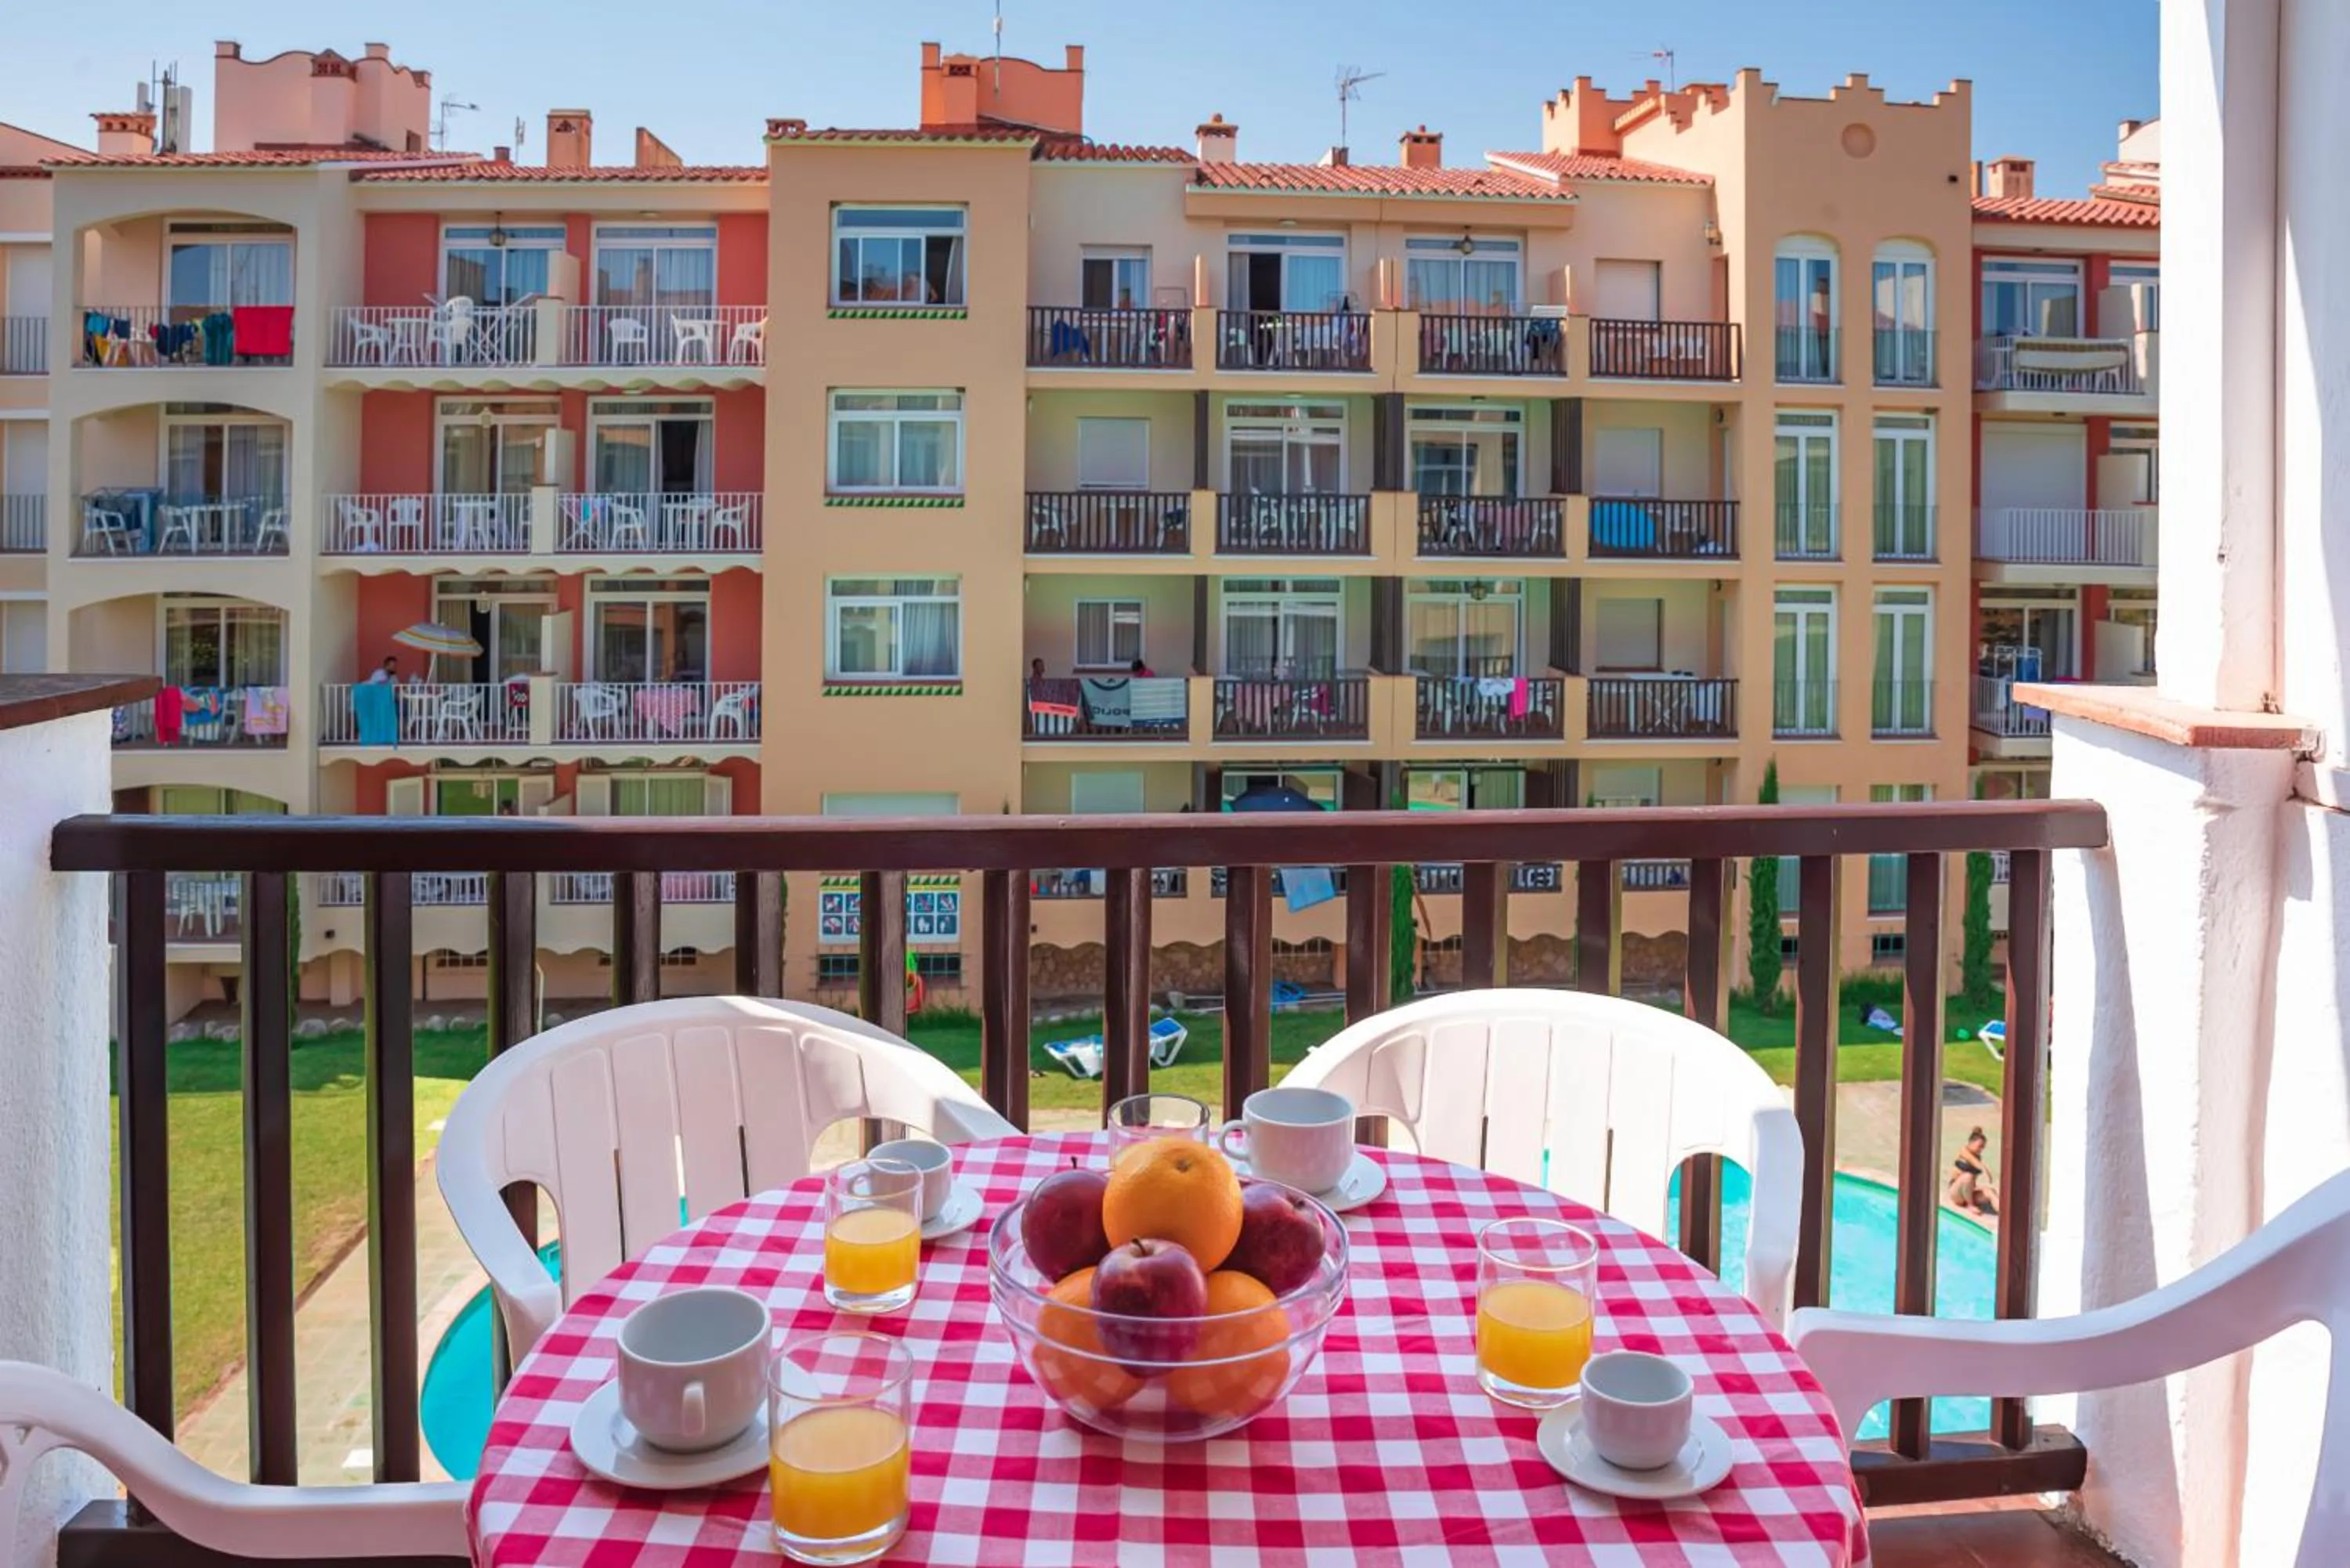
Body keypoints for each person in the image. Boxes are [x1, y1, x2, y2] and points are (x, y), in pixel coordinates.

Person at [1947, 1127, 2001, 1216]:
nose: (1981, 1149)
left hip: (1968, 1193)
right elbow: (1973, 1161)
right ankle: (1970, 1205)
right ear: (1971, 1143)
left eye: (1983, 1147)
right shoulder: (1964, 1151)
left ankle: (2004, 1213)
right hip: (1956, 1194)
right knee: (1968, 1176)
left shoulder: (1978, 1157)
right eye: (1979, 1146)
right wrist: (1985, 1170)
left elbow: (1972, 1180)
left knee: (1990, 1192)